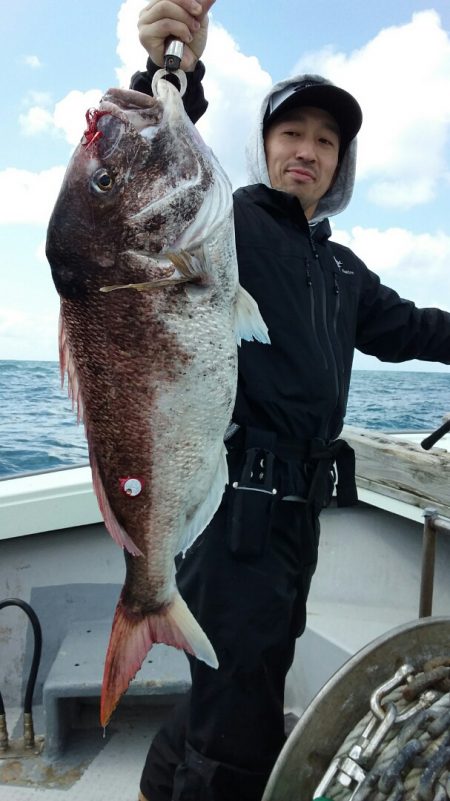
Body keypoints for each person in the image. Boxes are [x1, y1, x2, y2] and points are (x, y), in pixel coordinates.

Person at [131, 2, 450, 800]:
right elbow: (162, 170)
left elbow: (413, 327)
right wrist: (177, 73)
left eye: (326, 141)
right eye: (291, 133)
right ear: (265, 145)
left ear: (340, 164)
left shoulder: (342, 269)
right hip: (235, 507)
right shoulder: (225, 224)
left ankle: (155, 784)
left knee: (237, 678)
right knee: (242, 722)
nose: (307, 150)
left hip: (295, 518)